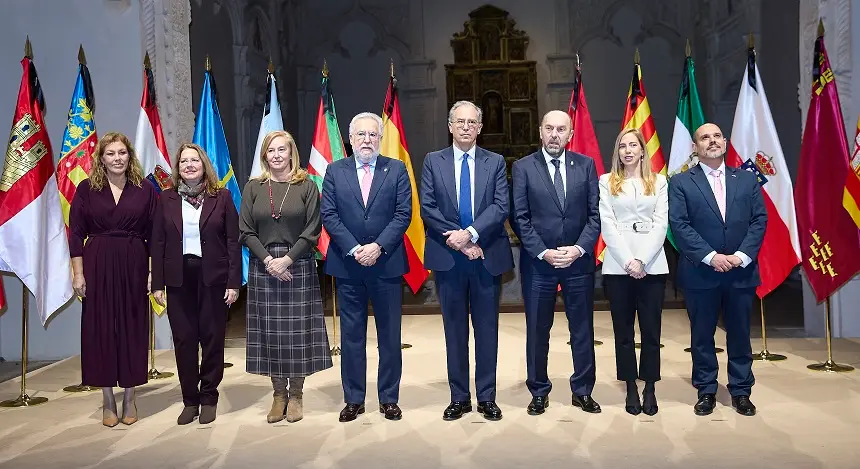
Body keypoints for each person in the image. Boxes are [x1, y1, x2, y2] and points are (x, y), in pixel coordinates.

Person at [420, 101, 513, 421]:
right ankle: (459, 397)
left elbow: (501, 207)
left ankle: (487, 396)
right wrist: (459, 242)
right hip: (449, 258)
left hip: (486, 256)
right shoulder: (433, 161)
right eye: (459, 122)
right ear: (450, 126)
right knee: (455, 330)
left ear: (480, 128)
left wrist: (472, 234)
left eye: (472, 122)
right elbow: (428, 208)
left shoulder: (496, 162)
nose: (465, 127)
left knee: (487, 330)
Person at [669, 123, 766, 417]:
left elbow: (758, 220)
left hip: (740, 271)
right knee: (702, 335)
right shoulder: (681, 182)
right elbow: (680, 225)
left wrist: (740, 256)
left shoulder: (747, 180)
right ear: (695, 147)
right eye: (704, 138)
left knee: (739, 333)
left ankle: (741, 390)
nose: (711, 141)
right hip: (701, 272)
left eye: (716, 136)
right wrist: (711, 257)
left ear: (724, 142)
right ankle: (707, 390)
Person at [320, 112, 411, 422]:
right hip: (349, 264)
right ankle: (354, 399)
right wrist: (356, 248)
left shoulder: (396, 169)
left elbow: (403, 214)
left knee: (389, 335)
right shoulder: (335, 170)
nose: (367, 140)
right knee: (352, 336)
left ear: (379, 139)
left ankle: (389, 398)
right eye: (361, 135)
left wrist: (378, 247)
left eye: (373, 135)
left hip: (386, 263)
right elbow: (329, 215)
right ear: (351, 139)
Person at [512, 110, 601, 416]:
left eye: (561, 129)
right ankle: (538, 390)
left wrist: (579, 249)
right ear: (540, 132)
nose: (554, 134)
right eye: (549, 128)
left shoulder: (586, 166)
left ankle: (583, 390)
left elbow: (594, 215)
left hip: (578, 263)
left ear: (570, 134)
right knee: (538, 329)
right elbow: (519, 218)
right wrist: (543, 252)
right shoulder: (524, 167)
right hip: (539, 264)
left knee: (582, 329)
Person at [239, 130, 332, 424]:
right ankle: (278, 394)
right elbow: (245, 231)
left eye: (282, 150)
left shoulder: (306, 186)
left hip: (298, 264)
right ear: (265, 155)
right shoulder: (254, 187)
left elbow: (313, 230)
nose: (277, 155)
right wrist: (269, 260)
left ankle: (297, 395)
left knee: (298, 334)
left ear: (292, 152)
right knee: (271, 334)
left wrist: (287, 259)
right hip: (264, 265)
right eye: (271, 151)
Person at [69, 132, 158, 427]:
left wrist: (151, 272)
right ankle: (107, 397)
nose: (117, 158)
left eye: (122, 153)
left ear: (129, 156)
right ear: (101, 158)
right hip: (97, 262)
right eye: (111, 153)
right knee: (101, 328)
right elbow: (75, 234)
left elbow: (155, 236)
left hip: (133, 260)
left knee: (133, 326)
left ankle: (130, 396)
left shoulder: (144, 189)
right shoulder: (86, 189)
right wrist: (78, 273)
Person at [150, 143, 241, 425]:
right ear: (178, 168)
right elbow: (158, 242)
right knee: (185, 341)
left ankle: (209, 396)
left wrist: (233, 282)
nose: (189, 165)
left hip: (213, 277)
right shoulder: (165, 199)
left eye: (195, 161)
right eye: (184, 161)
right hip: (178, 278)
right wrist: (157, 284)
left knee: (212, 338)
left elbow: (232, 242)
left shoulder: (222, 197)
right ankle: (190, 399)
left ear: (204, 166)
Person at [598, 129, 668, 416]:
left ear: (642, 150)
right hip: (618, 265)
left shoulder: (659, 182)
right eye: (622, 146)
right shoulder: (606, 182)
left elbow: (661, 223)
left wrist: (642, 259)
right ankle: (630, 386)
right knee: (623, 331)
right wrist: (628, 261)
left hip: (652, 264)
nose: (628, 150)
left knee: (651, 330)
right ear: (618, 152)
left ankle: (650, 385)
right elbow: (607, 224)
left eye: (633, 146)